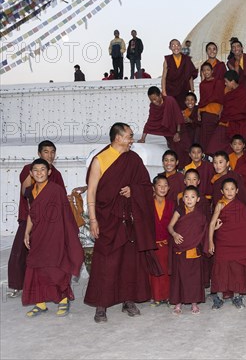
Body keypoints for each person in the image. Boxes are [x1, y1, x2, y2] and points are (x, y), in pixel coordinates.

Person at [85, 123, 161, 323]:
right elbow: (91, 192)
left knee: (129, 262)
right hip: (107, 219)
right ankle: (101, 306)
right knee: (105, 263)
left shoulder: (133, 159)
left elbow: (146, 185)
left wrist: (133, 190)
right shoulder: (99, 160)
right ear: (118, 138)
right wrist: (93, 220)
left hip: (128, 220)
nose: (132, 140)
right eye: (129, 136)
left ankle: (128, 300)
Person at [21, 158, 83, 318]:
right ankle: (40, 303)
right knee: (36, 267)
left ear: (49, 172)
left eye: (43, 169)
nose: (39, 173)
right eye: (36, 170)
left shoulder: (56, 190)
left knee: (56, 268)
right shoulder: (30, 191)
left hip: (56, 235)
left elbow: (65, 215)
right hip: (39, 235)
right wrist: (27, 232)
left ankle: (63, 300)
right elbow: (31, 213)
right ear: (31, 173)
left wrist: (65, 236)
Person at [8, 141, 66, 298]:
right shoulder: (29, 169)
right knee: (20, 251)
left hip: (49, 220)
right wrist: (35, 171)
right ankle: (16, 285)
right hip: (29, 216)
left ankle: (44, 285)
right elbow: (25, 191)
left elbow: (60, 196)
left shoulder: (56, 174)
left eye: (53, 152)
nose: (50, 155)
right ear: (39, 153)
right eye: (46, 152)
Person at [208, 179, 246, 309]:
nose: (229, 192)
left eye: (232, 189)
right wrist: (211, 241)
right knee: (221, 268)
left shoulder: (240, 206)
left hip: (237, 242)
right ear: (222, 191)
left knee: (237, 268)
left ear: (237, 191)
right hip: (223, 241)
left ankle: (237, 297)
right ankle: (218, 297)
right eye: (226, 189)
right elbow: (212, 223)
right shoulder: (220, 204)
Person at [168, 185, 208, 315]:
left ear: (197, 199)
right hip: (180, 249)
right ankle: (178, 303)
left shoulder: (200, 215)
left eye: (192, 197)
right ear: (182, 199)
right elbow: (170, 226)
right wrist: (174, 234)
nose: (189, 199)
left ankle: (194, 303)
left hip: (194, 250)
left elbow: (204, 232)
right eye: (186, 197)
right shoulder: (179, 210)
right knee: (179, 277)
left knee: (194, 278)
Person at [138, 86, 188, 164]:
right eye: (151, 100)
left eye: (155, 99)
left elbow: (178, 116)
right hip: (167, 132)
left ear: (160, 95)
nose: (154, 102)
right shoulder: (153, 106)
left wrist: (178, 132)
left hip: (179, 129)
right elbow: (150, 121)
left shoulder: (170, 101)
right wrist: (143, 138)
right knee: (174, 149)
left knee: (183, 148)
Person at [207, 70, 246, 154]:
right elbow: (226, 108)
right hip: (228, 119)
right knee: (218, 134)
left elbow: (244, 109)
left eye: (226, 82)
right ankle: (217, 156)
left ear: (232, 81)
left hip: (240, 120)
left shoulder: (243, 91)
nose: (225, 84)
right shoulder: (228, 94)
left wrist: (230, 117)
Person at [149, 175, 174, 307]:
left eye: (165, 186)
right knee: (154, 272)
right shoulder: (148, 204)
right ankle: (156, 296)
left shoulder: (171, 204)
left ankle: (168, 296)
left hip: (167, 243)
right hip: (153, 244)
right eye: (159, 185)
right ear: (154, 188)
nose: (163, 188)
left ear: (169, 188)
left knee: (166, 270)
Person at [161, 39, 198, 109]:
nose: (176, 47)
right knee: (172, 110)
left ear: (181, 46)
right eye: (173, 45)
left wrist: (192, 90)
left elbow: (190, 76)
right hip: (170, 90)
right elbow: (164, 77)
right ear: (170, 47)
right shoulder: (167, 60)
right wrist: (164, 91)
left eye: (177, 45)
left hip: (183, 90)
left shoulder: (186, 59)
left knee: (183, 111)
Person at [198, 61, 225, 152]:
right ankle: (206, 154)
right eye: (204, 70)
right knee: (204, 135)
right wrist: (199, 112)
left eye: (208, 70)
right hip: (206, 112)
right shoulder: (202, 84)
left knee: (214, 136)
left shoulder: (218, 82)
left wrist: (221, 111)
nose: (206, 72)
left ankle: (213, 154)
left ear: (212, 71)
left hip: (216, 111)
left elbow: (221, 99)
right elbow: (202, 100)